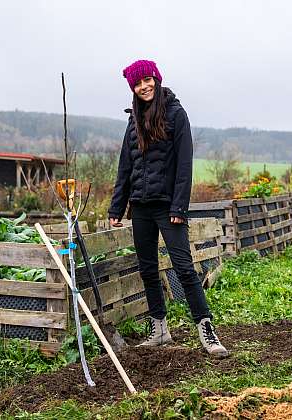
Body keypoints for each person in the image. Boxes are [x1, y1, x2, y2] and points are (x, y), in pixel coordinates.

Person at [108, 59, 228, 357]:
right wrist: (116, 207)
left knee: (184, 267)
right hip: (140, 207)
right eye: (137, 84)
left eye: (147, 80)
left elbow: (184, 165)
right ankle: (159, 329)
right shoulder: (133, 120)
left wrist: (179, 206)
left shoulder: (175, 114)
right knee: (148, 269)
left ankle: (206, 329)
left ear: (156, 79)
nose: (144, 86)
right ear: (132, 88)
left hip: (168, 207)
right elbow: (126, 166)